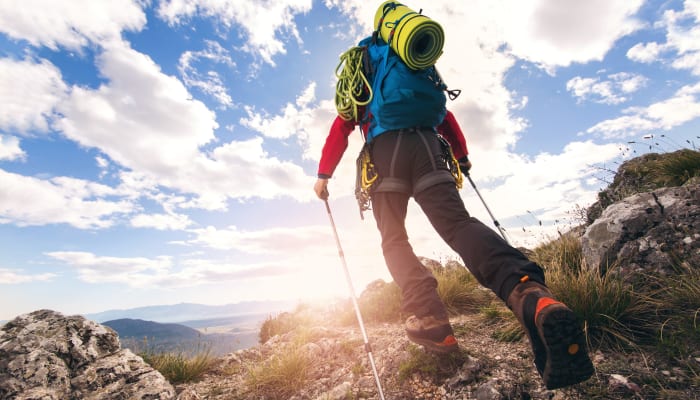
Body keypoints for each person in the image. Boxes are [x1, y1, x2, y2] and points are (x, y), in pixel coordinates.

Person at [314, 37, 593, 391]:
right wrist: (460, 156)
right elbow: (445, 114)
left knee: (393, 239)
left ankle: (429, 317)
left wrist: (324, 174)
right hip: (429, 146)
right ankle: (531, 295)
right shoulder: (416, 57)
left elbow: (343, 123)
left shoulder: (364, 64)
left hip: (385, 153)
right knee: (458, 225)